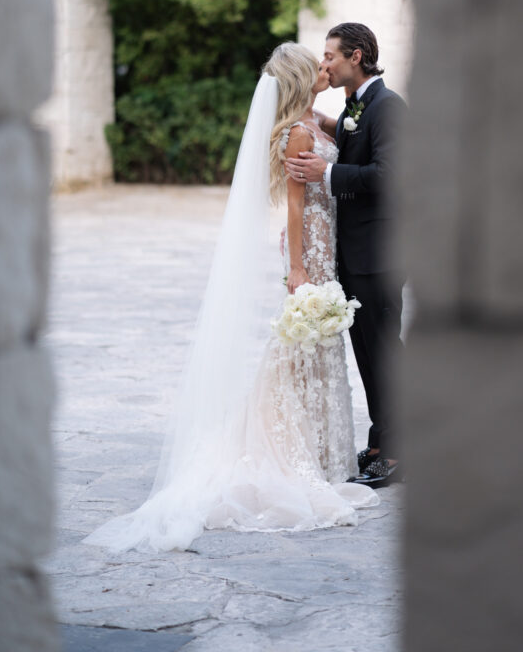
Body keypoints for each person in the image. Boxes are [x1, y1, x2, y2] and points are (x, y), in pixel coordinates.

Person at [84, 42, 377, 554]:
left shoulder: (316, 121)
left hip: (327, 240)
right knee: (301, 345)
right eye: (317, 64)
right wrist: (298, 267)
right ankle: (283, 448)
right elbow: (294, 205)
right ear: (301, 77)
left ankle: (319, 449)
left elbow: (343, 139)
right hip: (311, 244)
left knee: (318, 349)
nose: (324, 67)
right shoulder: (298, 131)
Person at [286, 23, 405, 486]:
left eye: (330, 56)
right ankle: (380, 443)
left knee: (384, 353)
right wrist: (325, 124)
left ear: (356, 57)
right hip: (355, 255)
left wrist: (328, 172)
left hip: (380, 254)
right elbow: (358, 144)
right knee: (369, 354)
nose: (325, 64)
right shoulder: (358, 107)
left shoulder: (388, 106)